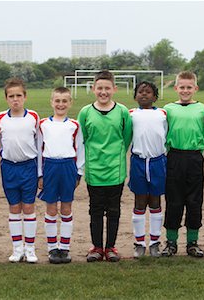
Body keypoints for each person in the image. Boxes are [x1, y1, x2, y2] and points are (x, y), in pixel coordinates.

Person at [78, 70, 133, 262]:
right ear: (93, 89)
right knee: (95, 210)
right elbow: (82, 139)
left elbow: (126, 138)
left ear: (114, 89)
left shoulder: (123, 112)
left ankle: (110, 247)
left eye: (107, 88)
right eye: (99, 88)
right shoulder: (85, 112)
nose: (103, 92)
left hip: (115, 170)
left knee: (113, 211)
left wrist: (115, 156)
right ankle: (96, 248)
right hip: (94, 170)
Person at [161, 71, 204, 258]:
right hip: (174, 157)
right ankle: (171, 242)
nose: (185, 90)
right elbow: (164, 132)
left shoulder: (203, 109)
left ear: (195, 89)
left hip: (194, 158)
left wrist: (196, 151)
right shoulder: (168, 109)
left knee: (194, 200)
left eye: (189, 87)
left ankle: (192, 242)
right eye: (182, 87)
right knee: (174, 200)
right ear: (176, 88)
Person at [37, 87, 84, 264]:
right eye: (57, 101)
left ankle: (64, 248)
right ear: (51, 102)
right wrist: (39, 174)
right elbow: (39, 150)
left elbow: (80, 149)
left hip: (67, 167)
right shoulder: (43, 124)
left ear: (70, 103)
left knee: (66, 208)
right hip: (50, 167)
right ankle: (51, 249)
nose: (61, 104)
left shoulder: (74, 125)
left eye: (64, 101)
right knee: (50, 209)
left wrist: (79, 172)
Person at [0, 78, 41, 263]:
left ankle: (30, 248)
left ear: (25, 97)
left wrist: (39, 173)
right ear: (6, 98)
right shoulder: (0, 118)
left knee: (29, 207)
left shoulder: (33, 117)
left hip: (28, 167)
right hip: (9, 167)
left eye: (19, 96)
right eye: (11, 96)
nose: (15, 100)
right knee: (14, 207)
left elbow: (39, 145)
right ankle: (17, 249)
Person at [129, 81, 167, 258]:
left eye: (148, 92)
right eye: (140, 92)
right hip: (138, 161)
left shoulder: (163, 114)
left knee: (155, 202)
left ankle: (154, 243)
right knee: (139, 201)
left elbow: (166, 134)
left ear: (155, 96)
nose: (144, 94)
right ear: (135, 95)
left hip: (158, 162)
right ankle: (139, 243)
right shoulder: (130, 115)